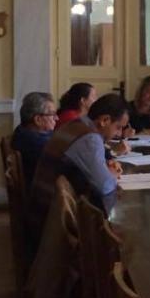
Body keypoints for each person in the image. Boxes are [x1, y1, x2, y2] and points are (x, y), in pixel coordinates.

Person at [27, 94, 128, 251]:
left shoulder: (77, 124)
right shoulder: (90, 138)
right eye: (118, 127)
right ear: (104, 120)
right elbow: (105, 186)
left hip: (42, 209)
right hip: (52, 224)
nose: (120, 134)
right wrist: (112, 175)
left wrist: (104, 167)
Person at [11, 92, 57, 189]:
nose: (57, 118)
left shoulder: (22, 130)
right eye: (52, 114)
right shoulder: (36, 143)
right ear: (38, 120)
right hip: (44, 191)